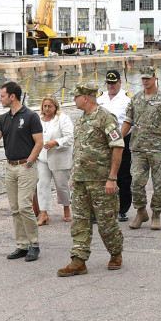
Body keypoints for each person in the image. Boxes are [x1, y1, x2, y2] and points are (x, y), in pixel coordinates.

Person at [57, 82, 125, 277]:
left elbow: (118, 147)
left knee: (106, 222)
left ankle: (115, 252)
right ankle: (78, 260)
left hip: (101, 181)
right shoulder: (80, 120)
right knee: (80, 221)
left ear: (85, 98)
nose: (74, 100)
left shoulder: (105, 118)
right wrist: (74, 177)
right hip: (80, 182)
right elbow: (78, 150)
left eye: (76, 97)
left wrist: (112, 178)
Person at [0, 81, 43, 262]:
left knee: (24, 206)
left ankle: (34, 244)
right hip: (10, 166)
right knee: (15, 208)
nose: (0, 99)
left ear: (12, 96)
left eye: (2, 96)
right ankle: (22, 245)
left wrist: (29, 163)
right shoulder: (3, 119)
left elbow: (39, 142)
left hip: (25, 166)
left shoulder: (31, 116)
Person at [122, 65, 161, 231]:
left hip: (158, 149)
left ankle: (156, 214)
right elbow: (128, 121)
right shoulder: (136, 99)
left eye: (148, 78)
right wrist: (119, 139)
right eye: (143, 78)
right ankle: (141, 211)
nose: (145, 81)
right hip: (138, 148)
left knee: (158, 184)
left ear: (155, 77)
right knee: (136, 183)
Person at [97, 69, 133, 221]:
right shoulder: (100, 98)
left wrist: (119, 139)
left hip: (121, 140)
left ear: (120, 82)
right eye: (108, 83)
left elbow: (129, 121)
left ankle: (123, 209)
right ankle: (102, 208)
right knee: (100, 174)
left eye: (113, 83)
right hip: (102, 142)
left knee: (123, 175)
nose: (110, 86)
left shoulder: (127, 100)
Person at [36, 95, 74, 225]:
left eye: (49, 106)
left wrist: (55, 142)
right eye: (45, 106)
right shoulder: (38, 120)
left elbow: (69, 138)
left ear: (55, 107)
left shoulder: (63, 119)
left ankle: (66, 207)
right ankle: (43, 213)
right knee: (42, 185)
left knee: (62, 186)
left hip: (59, 158)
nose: (47, 108)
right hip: (42, 158)